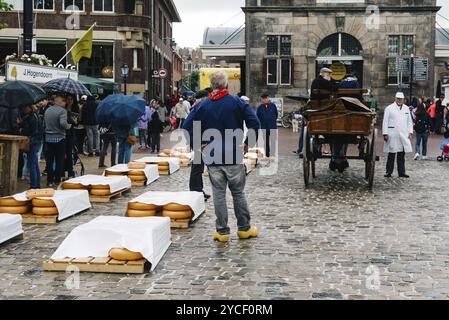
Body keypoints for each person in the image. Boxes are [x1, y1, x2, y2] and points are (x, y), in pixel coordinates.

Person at [183, 71, 261, 243]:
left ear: (211, 86)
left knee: (218, 194)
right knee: (238, 193)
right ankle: (244, 229)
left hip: (212, 156)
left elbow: (187, 125)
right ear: (226, 85)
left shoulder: (203, 105)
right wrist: (248, 143)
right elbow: (255, 123)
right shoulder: (237, 102)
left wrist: (198, 144)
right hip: (233, 154)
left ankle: (222, 231)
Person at [185, 90, 211, 200]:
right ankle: (195, 191)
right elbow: (186, 126)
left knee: (199, 168)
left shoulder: (200, 109)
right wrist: (194, 143)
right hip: (198, 143)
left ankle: (198, 189)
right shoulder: (197, 109)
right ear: (201, 98)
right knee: (197, 168)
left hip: (201, 142)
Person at [44, 93, 73, 187]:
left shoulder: (47, 110)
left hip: (48, 138)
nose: (65, 103)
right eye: (63, 101)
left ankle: (49, 180)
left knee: (49, 161)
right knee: (59, 160)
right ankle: (57, 180)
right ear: (59, 102)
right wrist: (69, 126)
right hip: (59, 138)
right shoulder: (62, 111)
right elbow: (63, 123)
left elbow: (44, 123)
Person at [383, 92, 414, 178]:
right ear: (395, 98)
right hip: (392, 133)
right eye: (398, 99)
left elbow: (409, 121)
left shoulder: (406, 108)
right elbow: (385, 121)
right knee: (391, 154)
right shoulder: (389, 108)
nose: (399, 100)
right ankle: (388, 172)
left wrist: (410, 132)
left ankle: (401, 172)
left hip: (403, 134)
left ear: (404, 100)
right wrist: (385, 133)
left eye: (401, 99)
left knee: (401, 154)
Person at [20, 104, 44, 189]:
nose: (24, 109)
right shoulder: (35, 116)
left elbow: (30, 131)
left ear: (30, 107)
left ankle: (34, 186)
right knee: (34, 164)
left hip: (33, 142)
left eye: (25, 107)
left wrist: (22, 125)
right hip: (36, 141)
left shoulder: (31, 117)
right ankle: (36, 185)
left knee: (32, 165)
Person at [257, 93, 278, 158]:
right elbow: (258, 117)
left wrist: (272, 121)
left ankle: (272, 155)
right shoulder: (259, 107)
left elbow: (276, 115)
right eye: (263, 99)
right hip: (264, 127)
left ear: (268, 98)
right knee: (266, 142)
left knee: (273, 141)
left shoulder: (273, 105)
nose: (264, 100)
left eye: (265, 98)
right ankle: (267, 154)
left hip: (272, 126)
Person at [64, 94, 79, 178]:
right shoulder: (63, 109)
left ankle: (70, 171)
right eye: (68, 99)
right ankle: (63, 170)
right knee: (63, 153)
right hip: (63, 132)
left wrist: (75, 121)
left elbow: (77, 123)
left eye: (71, 99)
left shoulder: (75, 109)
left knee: (69, 153)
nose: (69, 101)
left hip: (71, 133)